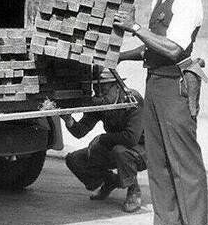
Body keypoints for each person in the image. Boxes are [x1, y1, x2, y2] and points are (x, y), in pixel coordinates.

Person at [114, 0, 208, 225]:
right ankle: (167, 221)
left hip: (176, 86)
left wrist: (136, 26)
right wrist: (121, 57)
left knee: (184, 160)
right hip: (155, 82)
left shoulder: (188, 1)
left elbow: (173, 47)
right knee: (157, 157)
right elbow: (151, 46)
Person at [62, 68, 146, 213]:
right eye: (97, 91)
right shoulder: (102, 103)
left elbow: (131, 138)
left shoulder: (133, 99)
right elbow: (80, 131)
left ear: (117, 86)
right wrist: (68, 119)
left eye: (105, 91)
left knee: (120, 151)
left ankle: (133, 190)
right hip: (116, 147)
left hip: (143, 150)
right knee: (75, 159)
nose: (101, 96)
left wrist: (102, 138)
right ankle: (110, 181)